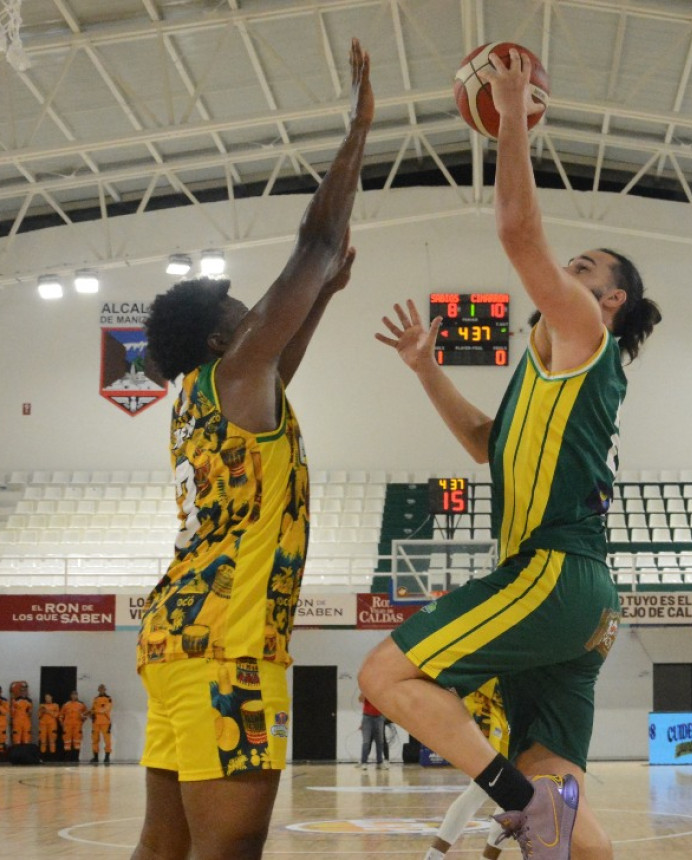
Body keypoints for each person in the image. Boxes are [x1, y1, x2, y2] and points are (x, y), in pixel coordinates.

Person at [359, 46, 660, 860]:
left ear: (609, 300)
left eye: (581, 268)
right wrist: (426, 370)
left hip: (552, 573)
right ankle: (540, 808)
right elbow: (484, 444)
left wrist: (512, 116)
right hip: (582, 604)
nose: (563, 271)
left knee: (385, 676)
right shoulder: (544, 374)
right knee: (561, 804)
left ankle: (520, 805)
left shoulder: (585, 333)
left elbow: (518, 233)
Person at [130, 37, 373, 860]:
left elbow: (283, 355)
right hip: (228, 648)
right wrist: (357, 132)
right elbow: (315, 242)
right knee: (227, 851)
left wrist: (324, 298)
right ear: (218, 336)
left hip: (175, 640)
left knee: (163, 847)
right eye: (240, 312)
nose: (252, 315)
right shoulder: (235, 373)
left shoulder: (206, 398)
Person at [425, 679, 509, 860]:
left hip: (506, 717)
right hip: (485, 711)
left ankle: (435, 856)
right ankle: (434, 856)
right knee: (482, 788)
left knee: (512, 796)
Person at [357, 694, 386, 770]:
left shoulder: (380, 692)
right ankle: (364, 762)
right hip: (367, 717)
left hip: (379, 717)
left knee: (380, 741)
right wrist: (364, 692)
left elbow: (385, 703)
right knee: (366, 741)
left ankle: (380, 763)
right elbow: (360, 700)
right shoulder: (367, 690)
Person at [60, 690, 90, 762]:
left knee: (77, 742)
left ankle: (76, 758)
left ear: (77, 695)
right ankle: (67, 758)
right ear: (71, 696)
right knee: (67, 743)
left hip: (77, 726)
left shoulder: (81, 704)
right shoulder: (66, 705)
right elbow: (61, 715)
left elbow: (87, 713)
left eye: (75, 695)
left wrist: (82, 721)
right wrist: (62, 723)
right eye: (73, 695)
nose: (74, 696)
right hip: (67, 726)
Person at [90, 683, 114, 764]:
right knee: (95, 740)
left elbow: (105, 709)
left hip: (105, 722)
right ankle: (95, 757)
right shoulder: (95, 699)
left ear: (105, 689)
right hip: (96, 722)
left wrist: (94, 711)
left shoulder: (108, 699)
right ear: (98, 690)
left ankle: (107, 757)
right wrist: (90, 714)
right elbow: (92, 709)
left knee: (107, 740)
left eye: (103, 688)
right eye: (100, 688)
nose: (101, 690)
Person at [10, 682, 33, 747]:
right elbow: (12, 712)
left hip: (26, 722)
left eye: (24, 691)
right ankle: (17, 752)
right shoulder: (15, 700)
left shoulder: (29, 701)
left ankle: (25, 752)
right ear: (20, 692)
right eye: (22, 691)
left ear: (26, 691)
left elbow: (30, 712)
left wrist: (30, 712)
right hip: (17, 722)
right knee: (17, 740)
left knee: (26, 740)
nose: (23, 692)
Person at [38, 693, 60, 759]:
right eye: (46, 698)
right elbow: (38, 716)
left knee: (52, 740)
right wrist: (42, 712)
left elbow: (56, 715)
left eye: (48, 697)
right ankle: (43, 756)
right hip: (43, 725)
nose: (47, 699)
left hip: (52, 725)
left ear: (51, 698)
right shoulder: (41, 706)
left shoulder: (55, 705)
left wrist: (48, 711)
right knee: (43, 740)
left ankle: (52, 756)